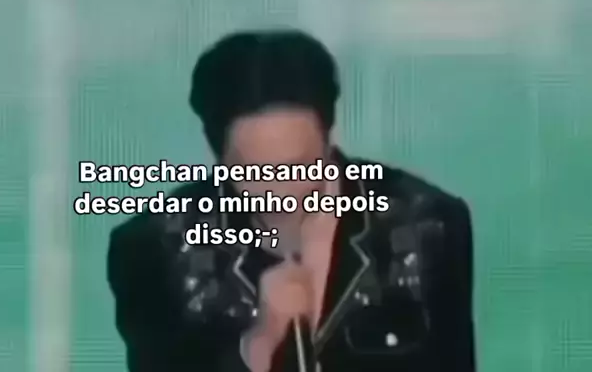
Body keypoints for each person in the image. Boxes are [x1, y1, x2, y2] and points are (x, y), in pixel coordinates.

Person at [107, 30, 476, 372]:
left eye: (299, 167)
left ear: (328, 141)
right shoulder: (155, 248)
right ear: (219, 160)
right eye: (255, 172)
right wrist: (261, 343)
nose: (280, 193)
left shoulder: (426, 226)